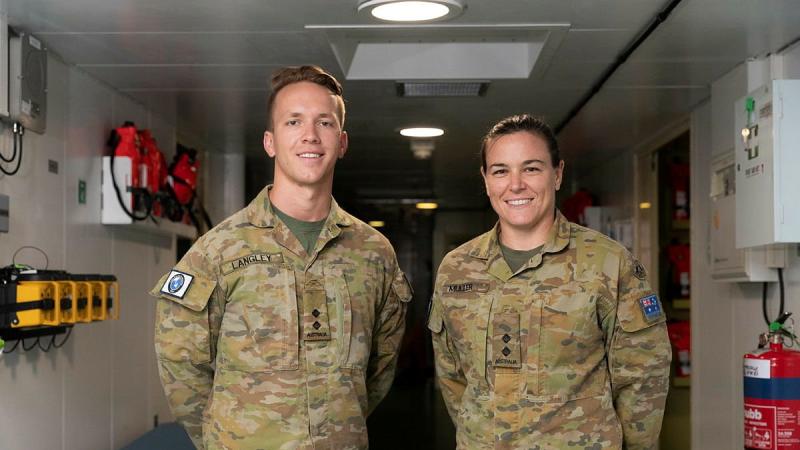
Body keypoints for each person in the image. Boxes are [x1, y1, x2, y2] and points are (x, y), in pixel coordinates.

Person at [150, 65, 412, 449]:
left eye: (325, 123)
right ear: (270, 142)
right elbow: (181, 365)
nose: (310, 135)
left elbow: (380, 367)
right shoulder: (218, 250)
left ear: (341, 142)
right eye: (294, 122)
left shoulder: (373, 253)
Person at [428, 114, 671, 449]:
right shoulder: (457, 268)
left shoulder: (607, 262)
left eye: (531, 168)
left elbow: (643, 374)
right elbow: (453, 376)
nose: (515, 184)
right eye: (501, 170)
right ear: (486, 180)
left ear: (557, 174)